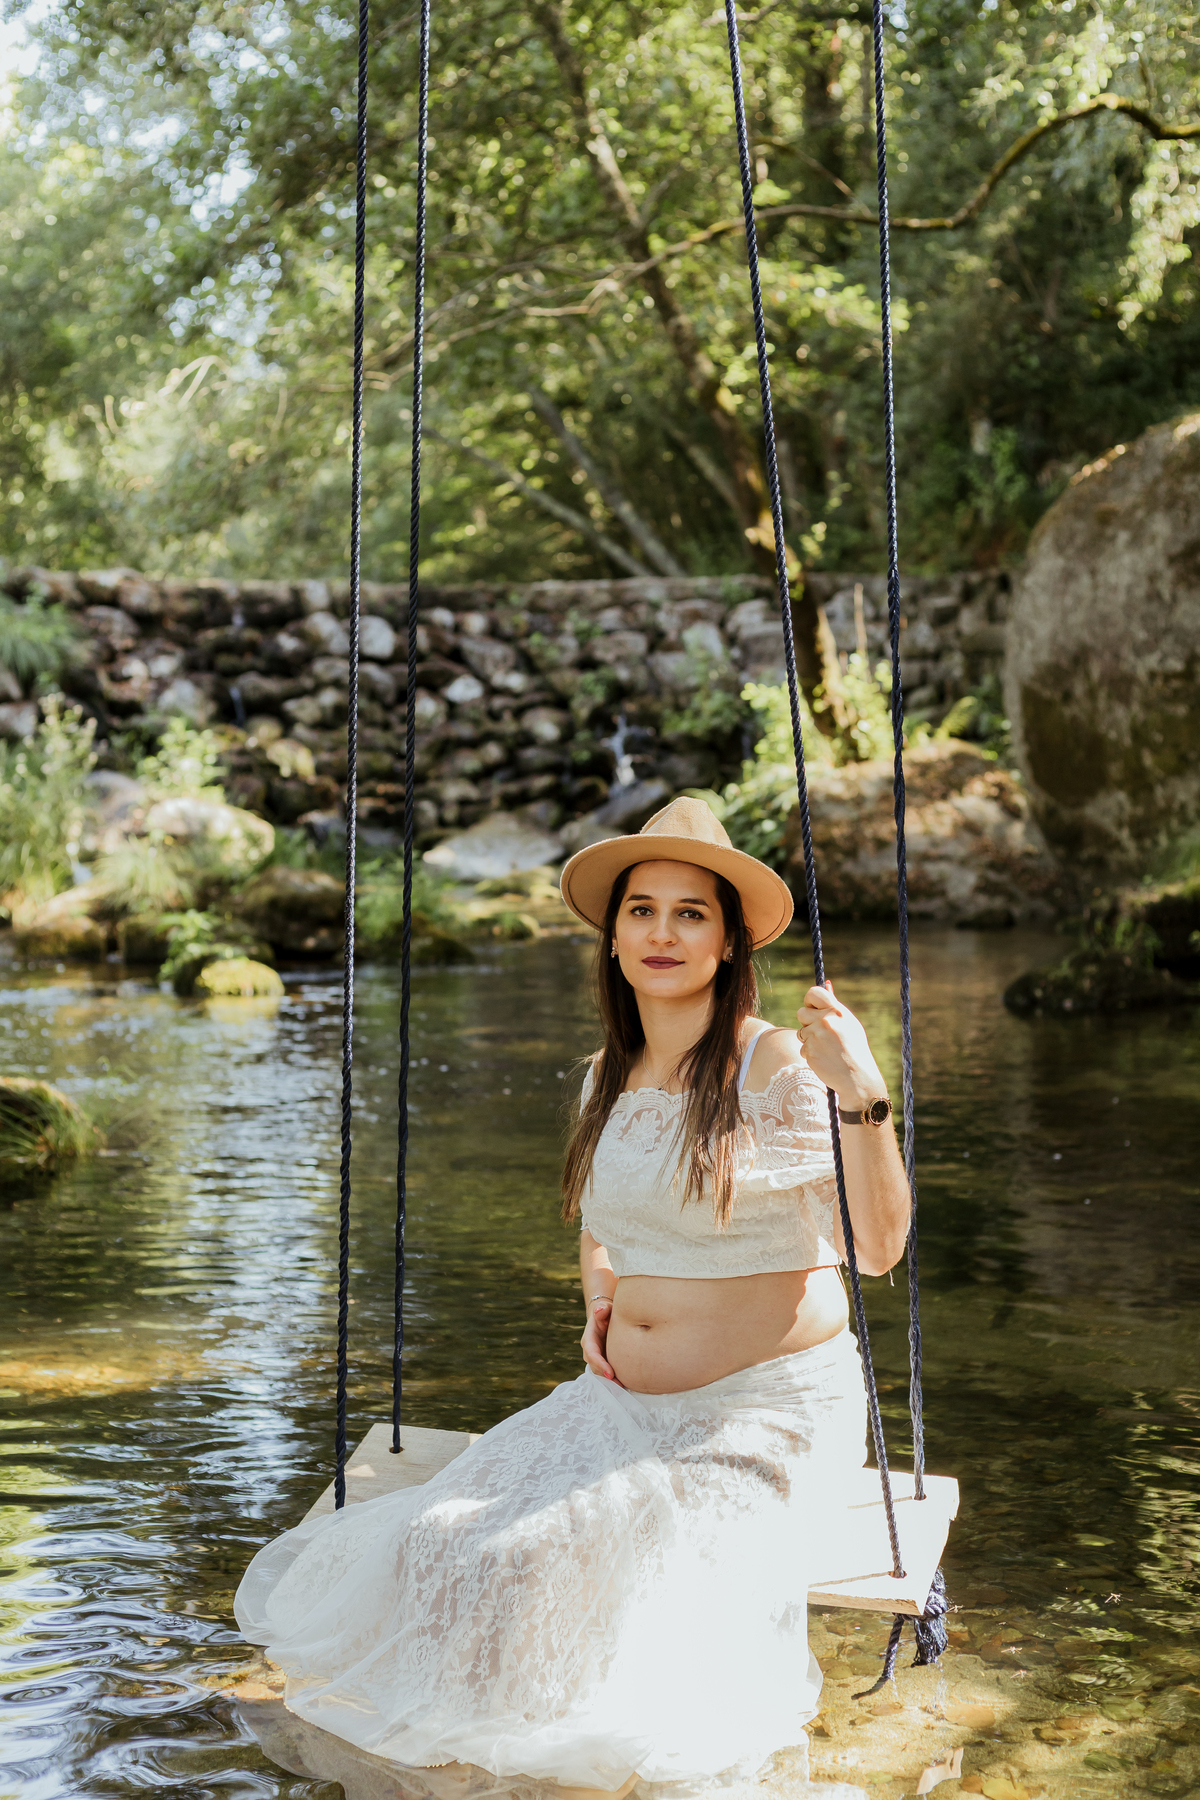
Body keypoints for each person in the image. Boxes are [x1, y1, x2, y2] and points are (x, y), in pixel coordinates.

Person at [234, 796, 911, 1795]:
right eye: (643, 910)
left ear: (728, 942)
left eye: (691, 913)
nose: (663, 932)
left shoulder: (772, 1063)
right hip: (617, 1404)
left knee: (540, 1560)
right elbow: (605, 1227)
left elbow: (878, 1249)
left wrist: (862, 1089)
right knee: (432, 1542)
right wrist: (603, 1300)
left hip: (758, 1416)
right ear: (615, 936)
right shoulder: (606, 1075)